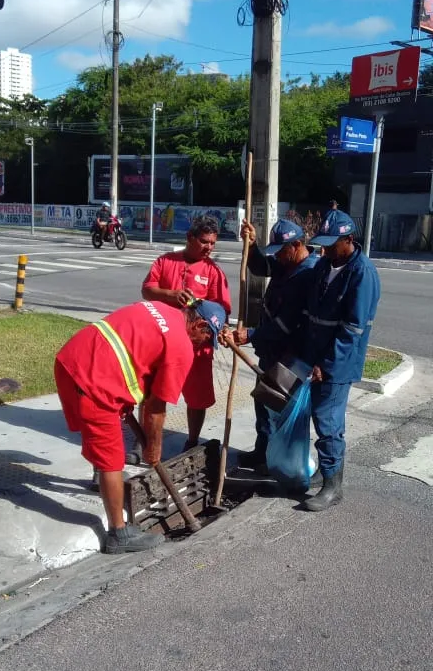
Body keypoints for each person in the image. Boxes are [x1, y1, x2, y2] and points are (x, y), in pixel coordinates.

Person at [54, 298, 227, 554]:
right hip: (94, 381)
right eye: (206, 336)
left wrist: (125, 396)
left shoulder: (161, 309)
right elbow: (156, 411)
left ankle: (101, 483)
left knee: (102, 445)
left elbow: (133, 352)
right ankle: (118, 534)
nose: (203, 343)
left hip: (72, 360)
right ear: (199, 324)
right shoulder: (181, 347)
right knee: (111, 459)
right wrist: (154, 449)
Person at [298, 209, 381, 512]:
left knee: (328, 422)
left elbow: (352, 330)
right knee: (319, 418)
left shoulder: (362, 273)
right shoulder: (324, 265)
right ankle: (326, 470)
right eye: (324, 244)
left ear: (348, 239)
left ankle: (334, 487)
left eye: (332, 244)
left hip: (337, 363)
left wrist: (327, 364)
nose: (326, 249)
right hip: (314, 356)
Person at [140, 214, 232, 452]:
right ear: (190, 237)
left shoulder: (214, 272)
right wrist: (170, 295)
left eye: (213, 243)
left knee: (197, 398)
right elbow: (148, 290)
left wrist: (213, 321)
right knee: (152, 392)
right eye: (204, 242)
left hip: (197, 347)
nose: (209, 248)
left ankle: (192, 442)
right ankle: (145, 442)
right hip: (162, 342)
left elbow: (222, 309)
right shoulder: (165, 261)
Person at [234, 218, 319, 471]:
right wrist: (251, 244)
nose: (278, 256)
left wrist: (250, 335)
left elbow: (285, 325)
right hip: (271, 350)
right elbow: (261, 266)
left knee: (280, 408)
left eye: (282, 251)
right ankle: (264, 451)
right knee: (264, 400)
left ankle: (279, 460)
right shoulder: (287, 263)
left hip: (290, 354)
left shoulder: (307, 274)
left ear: (297, 245)